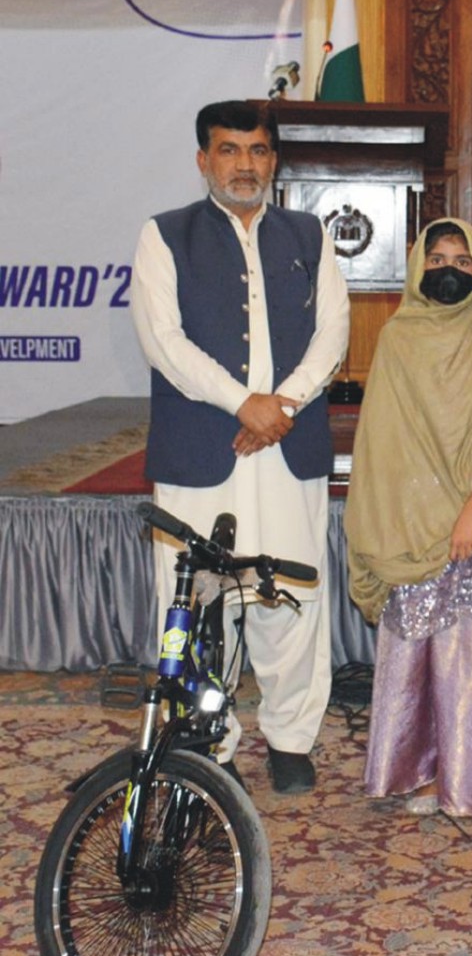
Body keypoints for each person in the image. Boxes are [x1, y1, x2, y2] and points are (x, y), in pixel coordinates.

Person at [130, 100, 350, 794]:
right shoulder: (164, 237)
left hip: (287, 447)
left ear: (273, 161)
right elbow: (164, 342)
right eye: (229, 150)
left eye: (257, 151)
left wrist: (281, 405)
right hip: (204, 448)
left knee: (290, 596)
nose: (244, 165)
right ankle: (207, 736)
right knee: (194, 599)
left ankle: (289, 738)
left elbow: (334, 334)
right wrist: (242, 403)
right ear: (204, 160)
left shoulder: (310, 235)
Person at [345, 219, 472, 817]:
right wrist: (398, 511)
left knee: (470, 647)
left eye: (463, 260)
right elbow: (381, 440)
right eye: (437, 258)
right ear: (417, 266)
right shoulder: (398, 337)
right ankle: (413, 767)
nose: (450, 270)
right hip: (409, 517)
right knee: (415, 648)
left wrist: (469, 512)